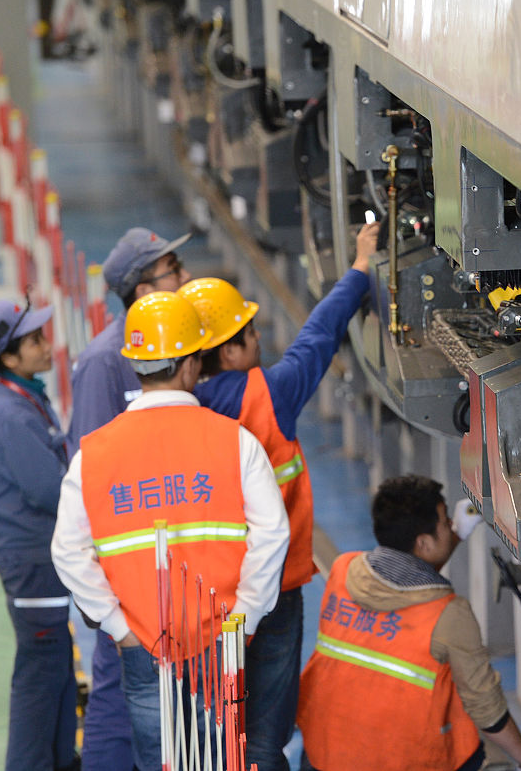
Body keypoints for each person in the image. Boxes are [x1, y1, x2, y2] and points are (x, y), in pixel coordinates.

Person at [51, 291, 290, 771]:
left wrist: (118, 627)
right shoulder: (234, 441)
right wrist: (243, 620)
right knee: (221, 756)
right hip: (220, 641)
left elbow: (67, 553)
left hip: (142, 643)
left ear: (137, 368)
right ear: (191, 364)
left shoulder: (93, 455)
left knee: (158, 760)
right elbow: (273, 534)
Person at [176, 220, 377, 771]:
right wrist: (360, 268)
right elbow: (320, 335)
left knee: (218, 725)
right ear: (231, 350)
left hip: (205, 595)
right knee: (266, 732)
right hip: (276, 587)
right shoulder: (270, 392)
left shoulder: (176, 412)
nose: (260, 340)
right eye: (250, 332)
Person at [296, 475, 521, 771]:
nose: (450, 526)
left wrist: (456, 536)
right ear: (423, 542)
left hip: (323, 752)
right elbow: (488, 711)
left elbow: (409, 580)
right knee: (467, 735)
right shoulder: (449, 614)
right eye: (444, 523)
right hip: (400, 761)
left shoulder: (343, 570)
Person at [66, 225, 191, 771]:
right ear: (145, 291)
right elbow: (88, 469)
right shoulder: (102, 362)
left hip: (177, 569)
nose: (186, 278)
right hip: (128, 578)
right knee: (119, 697)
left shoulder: (183, 346)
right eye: (173, 271)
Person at [0, 298, 79, 771]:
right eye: (34, 340)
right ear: (8, 358)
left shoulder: (22, 395)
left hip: (40, 560)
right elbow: (51, 490)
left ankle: (58, 759)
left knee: (55, 673)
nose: (46, 345)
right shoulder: (10, 414)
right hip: (32, 564)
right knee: (40, 674)